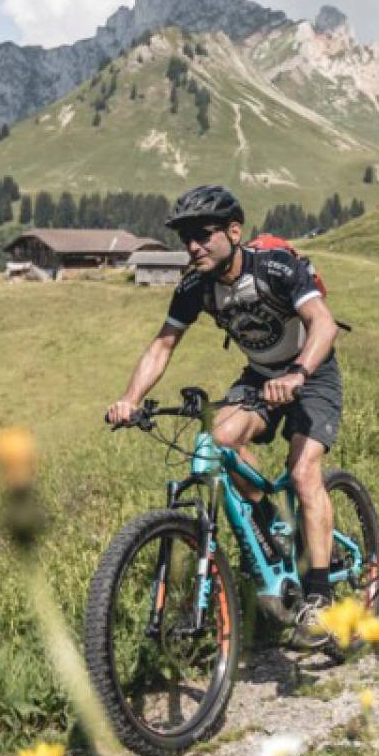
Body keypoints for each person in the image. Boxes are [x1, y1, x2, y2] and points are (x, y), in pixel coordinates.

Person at [105, 185, 344, 648]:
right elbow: (163, 344)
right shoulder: (196, 286)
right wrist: (130, 398)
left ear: (234, 232)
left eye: (203, 235)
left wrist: (298, 373)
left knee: (303, 471)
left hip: (312, 372)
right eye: (186, 239)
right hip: (259, 377)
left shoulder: (275, 267)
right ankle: (274, 526)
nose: (193, 246)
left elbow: (324, 323)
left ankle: (320, 596)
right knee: (217, 442)